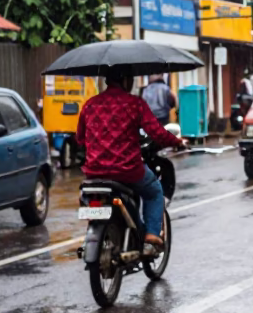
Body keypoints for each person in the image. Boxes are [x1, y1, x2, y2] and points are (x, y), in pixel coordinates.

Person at [76, 69, 185, 255]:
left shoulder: (89, 105)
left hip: (94, 172)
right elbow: (156, 132)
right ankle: (151, 236)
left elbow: (79, 139)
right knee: (154, 191)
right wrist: (177, 142)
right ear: (126, 81)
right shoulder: (134, 104)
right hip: (127, 170)